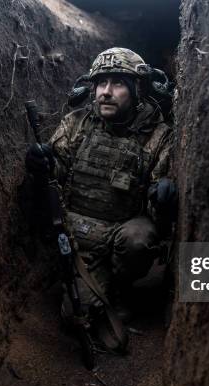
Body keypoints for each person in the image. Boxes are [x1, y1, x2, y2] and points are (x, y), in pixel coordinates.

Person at [25, 47, 177, 329]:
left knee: (139, 238)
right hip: (76, 234)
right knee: (75, 316)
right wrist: (40, 163)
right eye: (100, 83)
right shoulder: (77, 122)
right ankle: (85, 279)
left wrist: (163, 196)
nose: (105, 92)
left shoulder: (158, 136)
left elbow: (158, 217)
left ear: (136, 89)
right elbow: (54, 177)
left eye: (118, 83)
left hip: (122, 233)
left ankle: (122, 288)